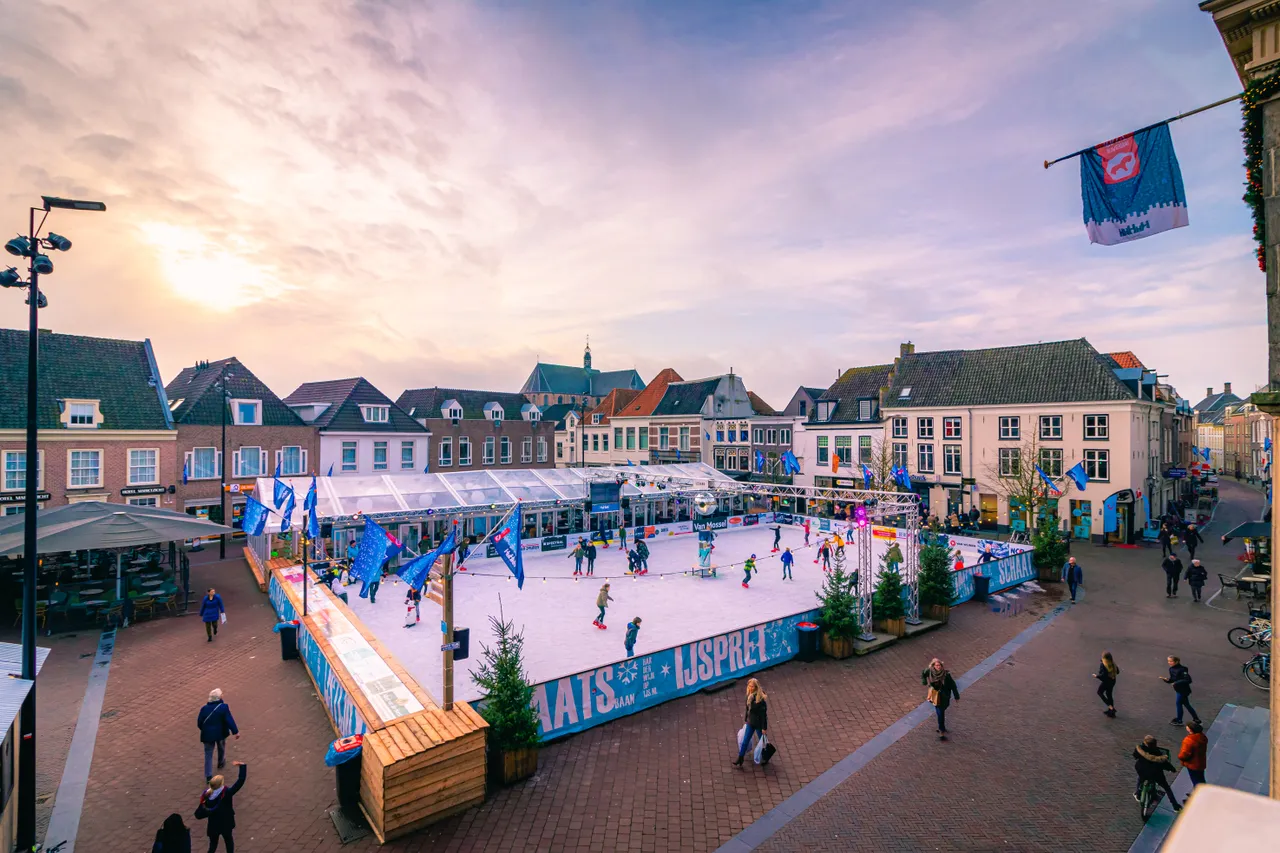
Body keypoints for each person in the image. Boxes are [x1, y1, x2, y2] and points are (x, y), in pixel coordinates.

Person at [195, 762, 248, 852]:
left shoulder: (207, 795)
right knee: (229, 842)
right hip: (226, 823)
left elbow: (199, 813)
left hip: (213, 825)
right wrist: (242, 767)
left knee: (212, 846)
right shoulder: (226, 793)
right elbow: (240, 781)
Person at [197, 688, 240, 782]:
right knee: (221, 747)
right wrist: (235, 731)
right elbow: (229, 720)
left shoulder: (204, 709)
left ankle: (208, 776)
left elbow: (199, 723)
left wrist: (205, 730)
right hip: (220, 733)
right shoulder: (223, 707)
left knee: (208, 754)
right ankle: (220, 762)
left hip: (207, 735)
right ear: (219, 698)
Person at [1132, 736, 1181, 811]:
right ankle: (1175, 806)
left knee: (1140, 778)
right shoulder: (1159, 754)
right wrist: (1172, 769)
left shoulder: (1140, 749)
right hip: (1156, 774)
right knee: (1167, 788)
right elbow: (1166, 764)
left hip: (1141, 770)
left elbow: (1135, 756)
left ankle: (1138, 794)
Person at [732, 678, 768, 767]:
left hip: (758, 724)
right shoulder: (749, 695)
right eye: (749, 686)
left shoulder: (760, 699)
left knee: (762, 741)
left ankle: (765, 757)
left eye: (752, 686)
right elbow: (748, 710)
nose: (750, 688)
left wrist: (764, 728)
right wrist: (746, 719)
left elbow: (763, 715)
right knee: (745, 740)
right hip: (750, 722)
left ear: (756, 687)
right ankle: (740, 758)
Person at [922, 658, 960, 740]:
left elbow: (953, 685)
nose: (938, 667)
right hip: (935, 696)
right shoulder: (929, 671)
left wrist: (956, 696)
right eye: (937, 665)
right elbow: (923, 673)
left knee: (943, 708)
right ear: (933, 666)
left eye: (939, 665)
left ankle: (941, 726)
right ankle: (941, 730)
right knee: (940, 713)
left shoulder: (946, 674)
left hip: (945, 696)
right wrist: (924, 681)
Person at [1162, 656, 1201, 726]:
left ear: (1176, 661)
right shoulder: (1171, 669)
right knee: (1186, 704)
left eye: (1171, 661)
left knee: (1179, 704)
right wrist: (1167, 680)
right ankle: (1196, 719)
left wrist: (1176, 683)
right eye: (1168, 661)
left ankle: (1179, 720)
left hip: (1183, 690)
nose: (1169, 663)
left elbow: (1188, 680)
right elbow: (1173, 679)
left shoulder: (1182, 669)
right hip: (1178, 690)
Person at [1178, 721, 1208, 787]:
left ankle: (1199, 792)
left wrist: (1180, 757)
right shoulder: (1202, 737)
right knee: (1201, 778)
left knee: (1195, 780)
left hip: (1192, 764)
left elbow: (1184, 754)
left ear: (1191, 730)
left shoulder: (1189, 740)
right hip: (1201, 762)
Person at [1093, 651, 1119, 717]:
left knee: (1099, 692)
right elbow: (1118, 671)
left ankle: (1111, 708)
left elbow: (1103, 676)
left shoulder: (1103, 664)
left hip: (1107, 682)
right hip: (1113, 681)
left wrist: (1096, 676)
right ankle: (1111, 713)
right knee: (1109, 694)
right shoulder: (1113, 663)